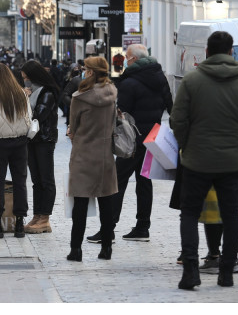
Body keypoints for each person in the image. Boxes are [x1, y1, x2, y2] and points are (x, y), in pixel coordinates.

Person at [170, 31, 238, 289]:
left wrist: (188, 145)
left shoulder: (191, 81)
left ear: (207, 52)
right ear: (231, 52)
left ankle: (190, 272)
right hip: (231, 163)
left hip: (195, 162)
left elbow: (178, 121)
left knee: (188, 214)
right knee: (231, 216)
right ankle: (226, 273)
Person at [86, 44, 173, 244]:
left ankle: (108, 229)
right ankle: (143, 227)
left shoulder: (130, 82)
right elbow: (171, 107)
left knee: (117, 182)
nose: (125, 60)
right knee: (144, 182)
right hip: (152, 138)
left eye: (127, 57)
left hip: (131, 140)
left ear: (134, 60)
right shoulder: (161, 78)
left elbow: (121, 113)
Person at [66, 57, 118, 262]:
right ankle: (106, 248)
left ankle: (76, 250)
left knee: (79, 204)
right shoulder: (112, 93)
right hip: (105, 154)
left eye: (85, 69)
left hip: (84, 154)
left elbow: (74, 128)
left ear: (91, 71)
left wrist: (73, 134)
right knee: (106, 203)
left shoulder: (80, 98)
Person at [0, 63, 32, 239]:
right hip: (20, 142)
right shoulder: (21, 95)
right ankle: (19, 224)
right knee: (20, 182)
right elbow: (28, 118)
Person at [20, 60, 60, 234]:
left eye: (27, 77)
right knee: (36, 180)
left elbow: (39, 115)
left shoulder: (47, 92)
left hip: (44, 139)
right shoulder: (33, 91)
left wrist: (25, 99)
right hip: (31, 140)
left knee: (46, 179)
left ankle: (45, 217)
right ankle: (37, 215)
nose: (25, 80)